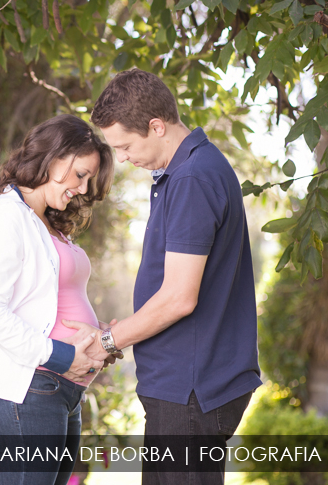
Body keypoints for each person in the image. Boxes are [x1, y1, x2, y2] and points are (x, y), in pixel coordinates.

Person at [65, 68, 262, 484]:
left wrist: (105, 343)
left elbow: (179, 298)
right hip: (186, 385)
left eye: (125, 145)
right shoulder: (190, 170)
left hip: (191, 388)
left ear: (156, 126)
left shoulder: (192, 178)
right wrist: (126, 329)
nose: (122, 158)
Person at [0, 114, 116, 485]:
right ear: (55, 156)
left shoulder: (45, 221)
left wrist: (97, 337)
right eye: (80, 174)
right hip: (22, 390)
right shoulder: (5, 219)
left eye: (89, 178)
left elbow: (50, 301)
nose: (83, 187)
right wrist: (62, 354)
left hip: (59, 388)